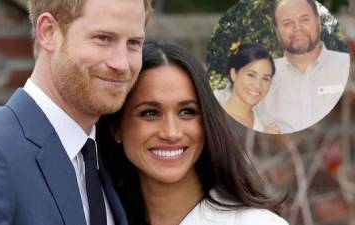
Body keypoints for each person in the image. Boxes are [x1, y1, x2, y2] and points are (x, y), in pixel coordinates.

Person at [0, 0, 151, 224]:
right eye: (103, 38)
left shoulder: (107, 158)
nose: (122, 64)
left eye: (134, 43)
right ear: (48, 32)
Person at [97, 41, 288, 225]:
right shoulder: (96, 215)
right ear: (116, 128)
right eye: (150, 113)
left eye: (187, 112)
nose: (171, 133)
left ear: (206, 123)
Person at [257, 0, 351, 133]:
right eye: (287, 23)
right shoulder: (260, 78)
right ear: (277, 32)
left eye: (304, 19)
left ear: (318, 23)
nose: (297, 28)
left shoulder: (343, 66)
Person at [214, 43, 280, 134]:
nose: (258, 85)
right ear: (234, 74)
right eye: (251, 75)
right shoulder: (210, 108)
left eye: (265, 78)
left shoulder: (262, 127)